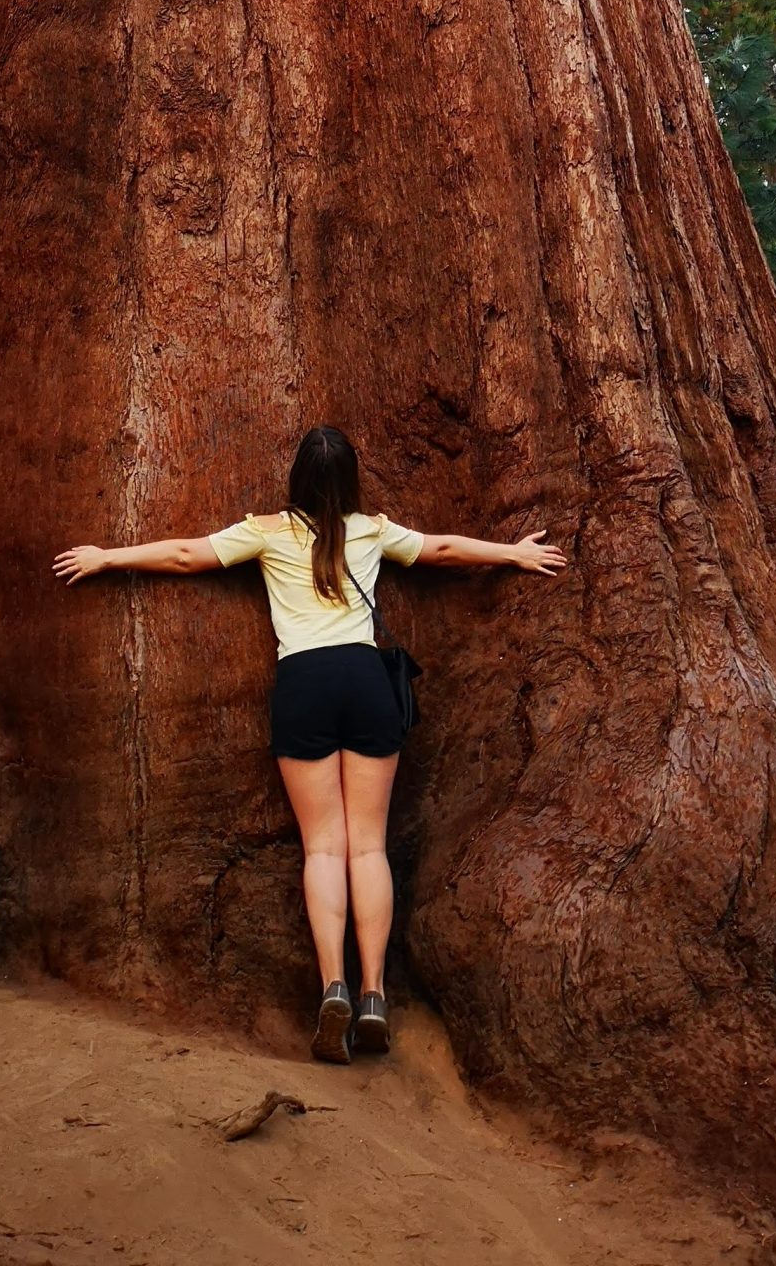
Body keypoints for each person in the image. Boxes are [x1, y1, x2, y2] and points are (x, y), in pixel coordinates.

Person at [53, 423, 566, 1063]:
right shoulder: (372, 530)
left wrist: (108, 556)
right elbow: (441, 550)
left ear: (296, 479)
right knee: (368, 845)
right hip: (363, 679)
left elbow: (186, 555)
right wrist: (512, 553)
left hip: (303, 683)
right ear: (351, 481)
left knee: (323, 847)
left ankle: (334, 989)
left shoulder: (268, 532)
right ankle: (376, 993)